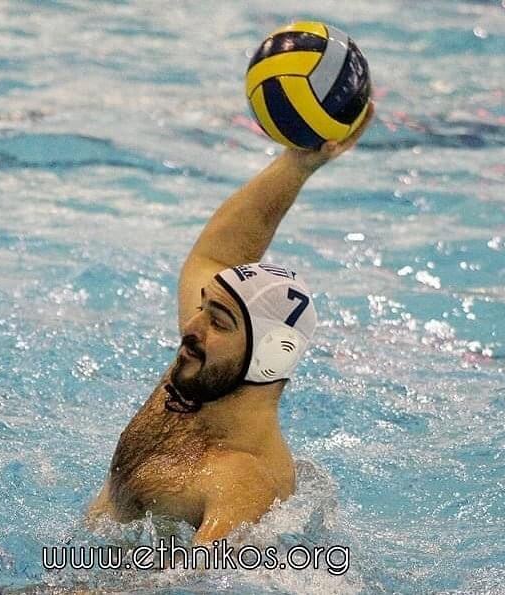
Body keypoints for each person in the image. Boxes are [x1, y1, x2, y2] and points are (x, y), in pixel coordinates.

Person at [86, 104, 375, 544]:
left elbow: (189, 576)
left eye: (217, 321)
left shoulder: (245, 482)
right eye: (203, 307)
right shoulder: (202, 373)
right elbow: (214, 257)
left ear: (271, 355)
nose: (191, 327)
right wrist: (298, 163)